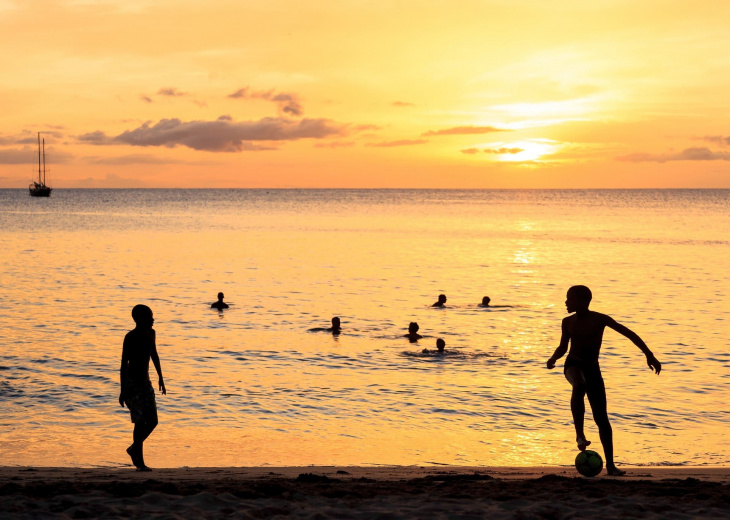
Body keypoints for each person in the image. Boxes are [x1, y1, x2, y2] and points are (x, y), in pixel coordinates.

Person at [546, 285, 661, 477]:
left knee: (602, 418)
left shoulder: (600, 319)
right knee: (579, 384)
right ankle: (580, 434)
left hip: (592, 368)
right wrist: (553, 358)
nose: (566, 302)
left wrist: (649, 354)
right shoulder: (567, 322)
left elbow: (629, 334)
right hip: (573, 365)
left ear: (583, 302)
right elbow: (563, 347)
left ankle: (611, 466)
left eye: (569, 299)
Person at [119, 305, 166, 471]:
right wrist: (122, 390)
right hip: (133, 385)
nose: (153, 320)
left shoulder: (151, 334)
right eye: (150, 317)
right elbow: (124, 364)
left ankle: (133, 448)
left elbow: (154, 354)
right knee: (139, 422)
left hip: (146, 383)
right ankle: (139, 460)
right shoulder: (130, 337)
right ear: (140, 320)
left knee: (153, 420)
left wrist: (161, 377)